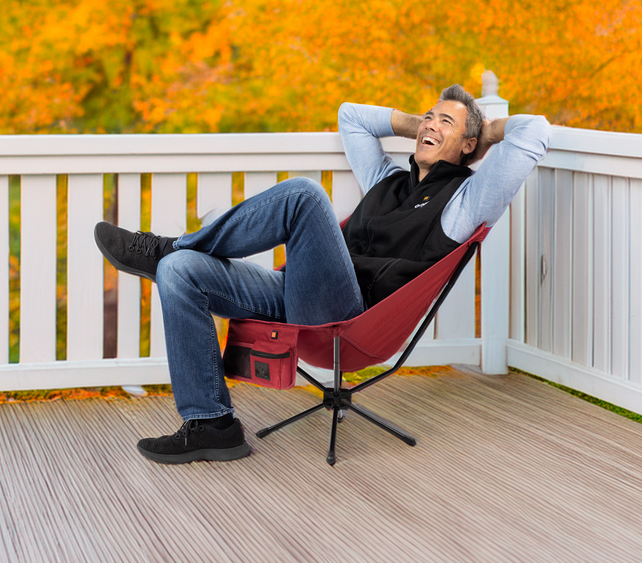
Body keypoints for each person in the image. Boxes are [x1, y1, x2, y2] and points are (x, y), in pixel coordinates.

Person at [94, 84, 551, 464]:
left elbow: (534, 131)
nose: (430, 125)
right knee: (179, 271)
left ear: (470, 146)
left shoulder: (465, 202)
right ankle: (212, 424)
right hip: (304, 293)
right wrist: (430, 124)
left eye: (444, 123)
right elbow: (349, 115)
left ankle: (165, 244)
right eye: (427, 117)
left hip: (355, 318)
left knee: (305, 196)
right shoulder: (386, 181)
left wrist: (486, 131)